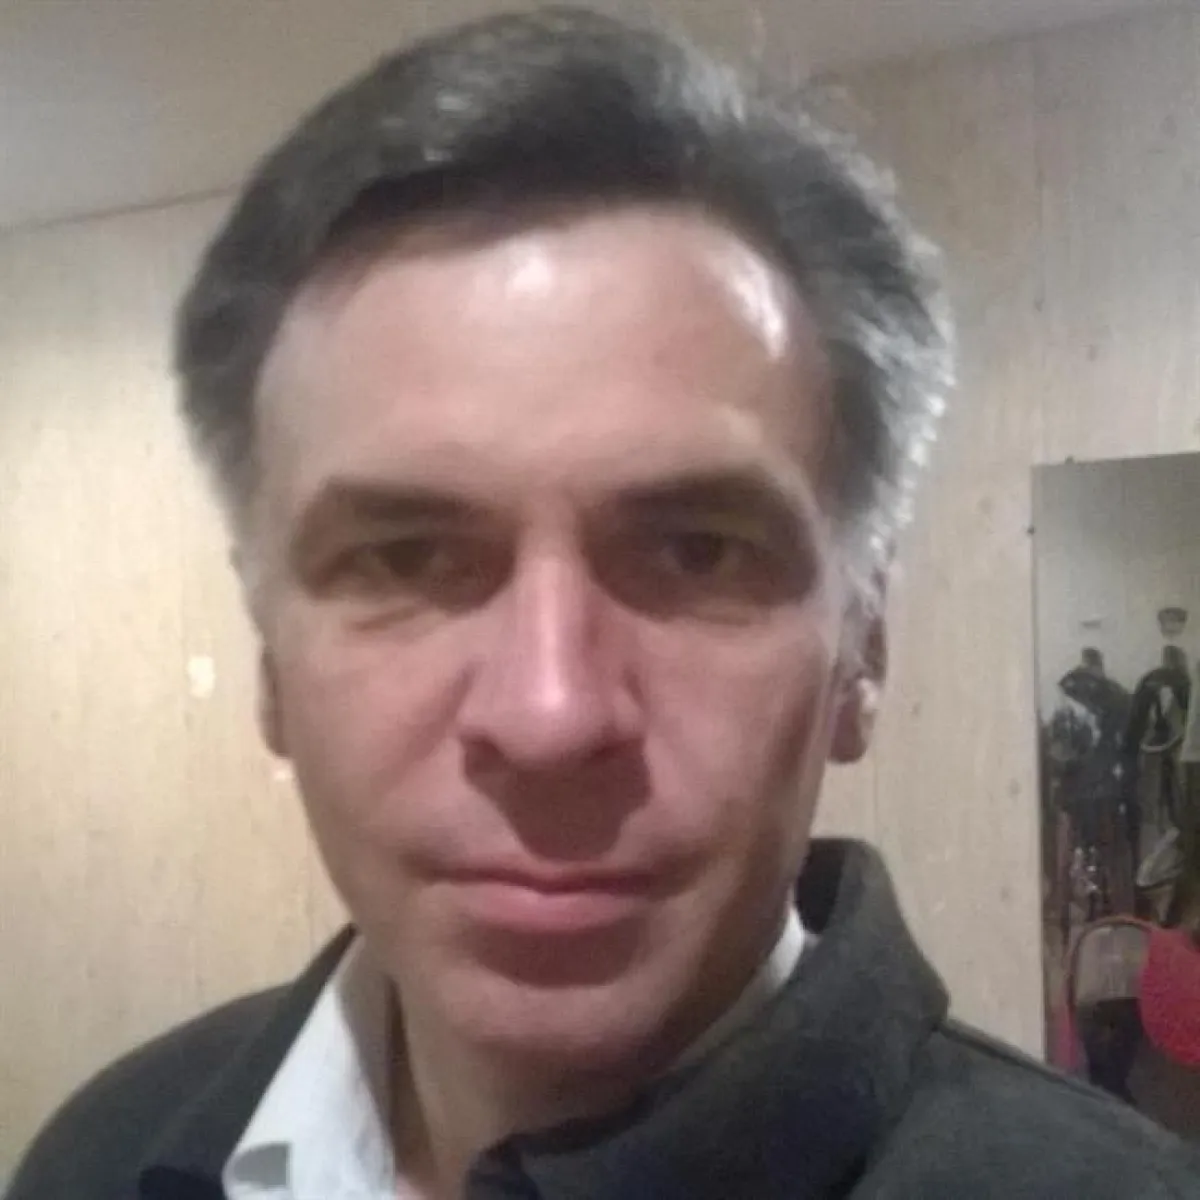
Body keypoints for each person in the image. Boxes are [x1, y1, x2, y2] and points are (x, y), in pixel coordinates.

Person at [11, 7, 1200, 1198]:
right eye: (408, 558)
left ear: (864, 644)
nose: (550, 714)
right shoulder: (101, 1155)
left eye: (697, 551)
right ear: (270, 658)